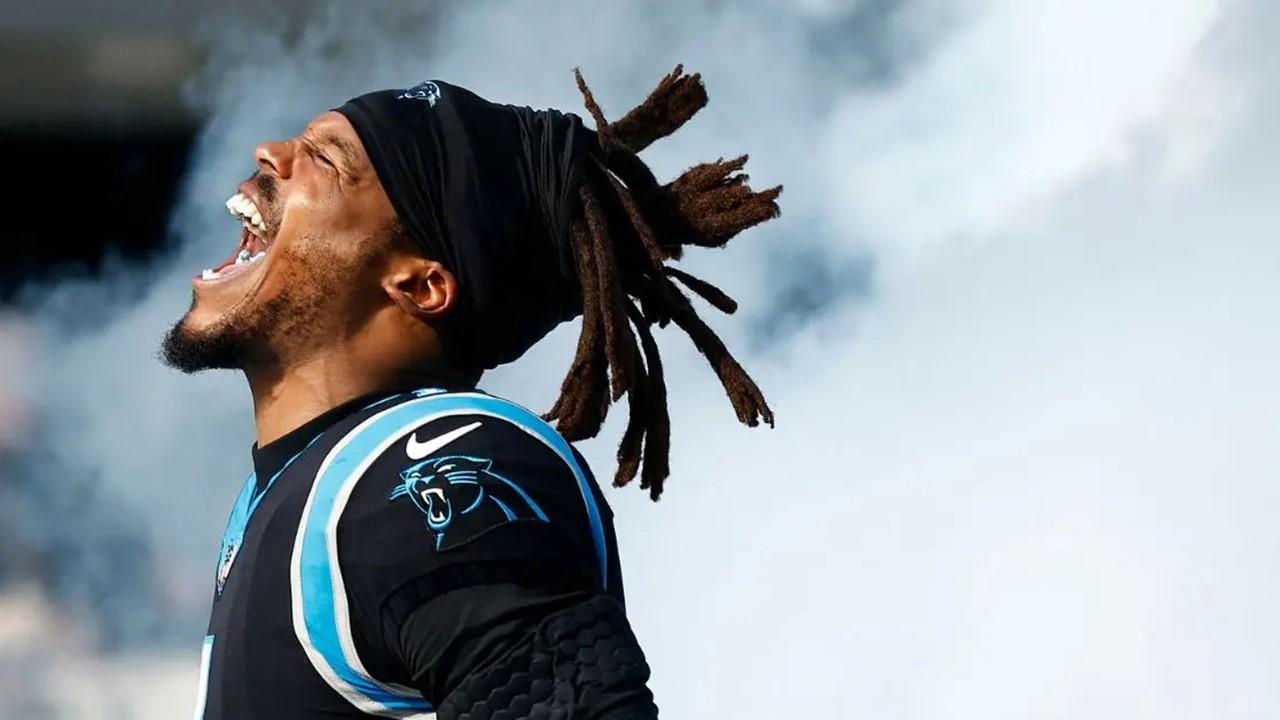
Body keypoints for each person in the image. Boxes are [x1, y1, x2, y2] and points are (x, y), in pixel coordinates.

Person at [162, 65, 780, 719]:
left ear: (419, 286)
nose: (272, 153)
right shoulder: (302, 485)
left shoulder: (426, 468)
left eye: (327, 161)